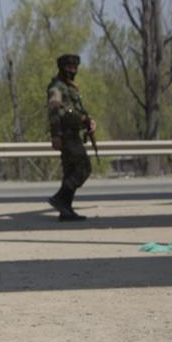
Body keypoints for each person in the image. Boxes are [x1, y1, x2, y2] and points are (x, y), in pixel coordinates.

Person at [46, 53, 96, 221]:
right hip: (66, 136)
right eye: (69, 67)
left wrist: (88, 121)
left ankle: (65, 210)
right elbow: (55, 113)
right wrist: (56, 135)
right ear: (62, 68)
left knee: (70, 172)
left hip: (73, 133)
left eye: (75, 68)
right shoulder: (56, 87)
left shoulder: (70, 87)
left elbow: (76, 110)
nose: (73, 70)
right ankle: (60, 198)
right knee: (83, 168)